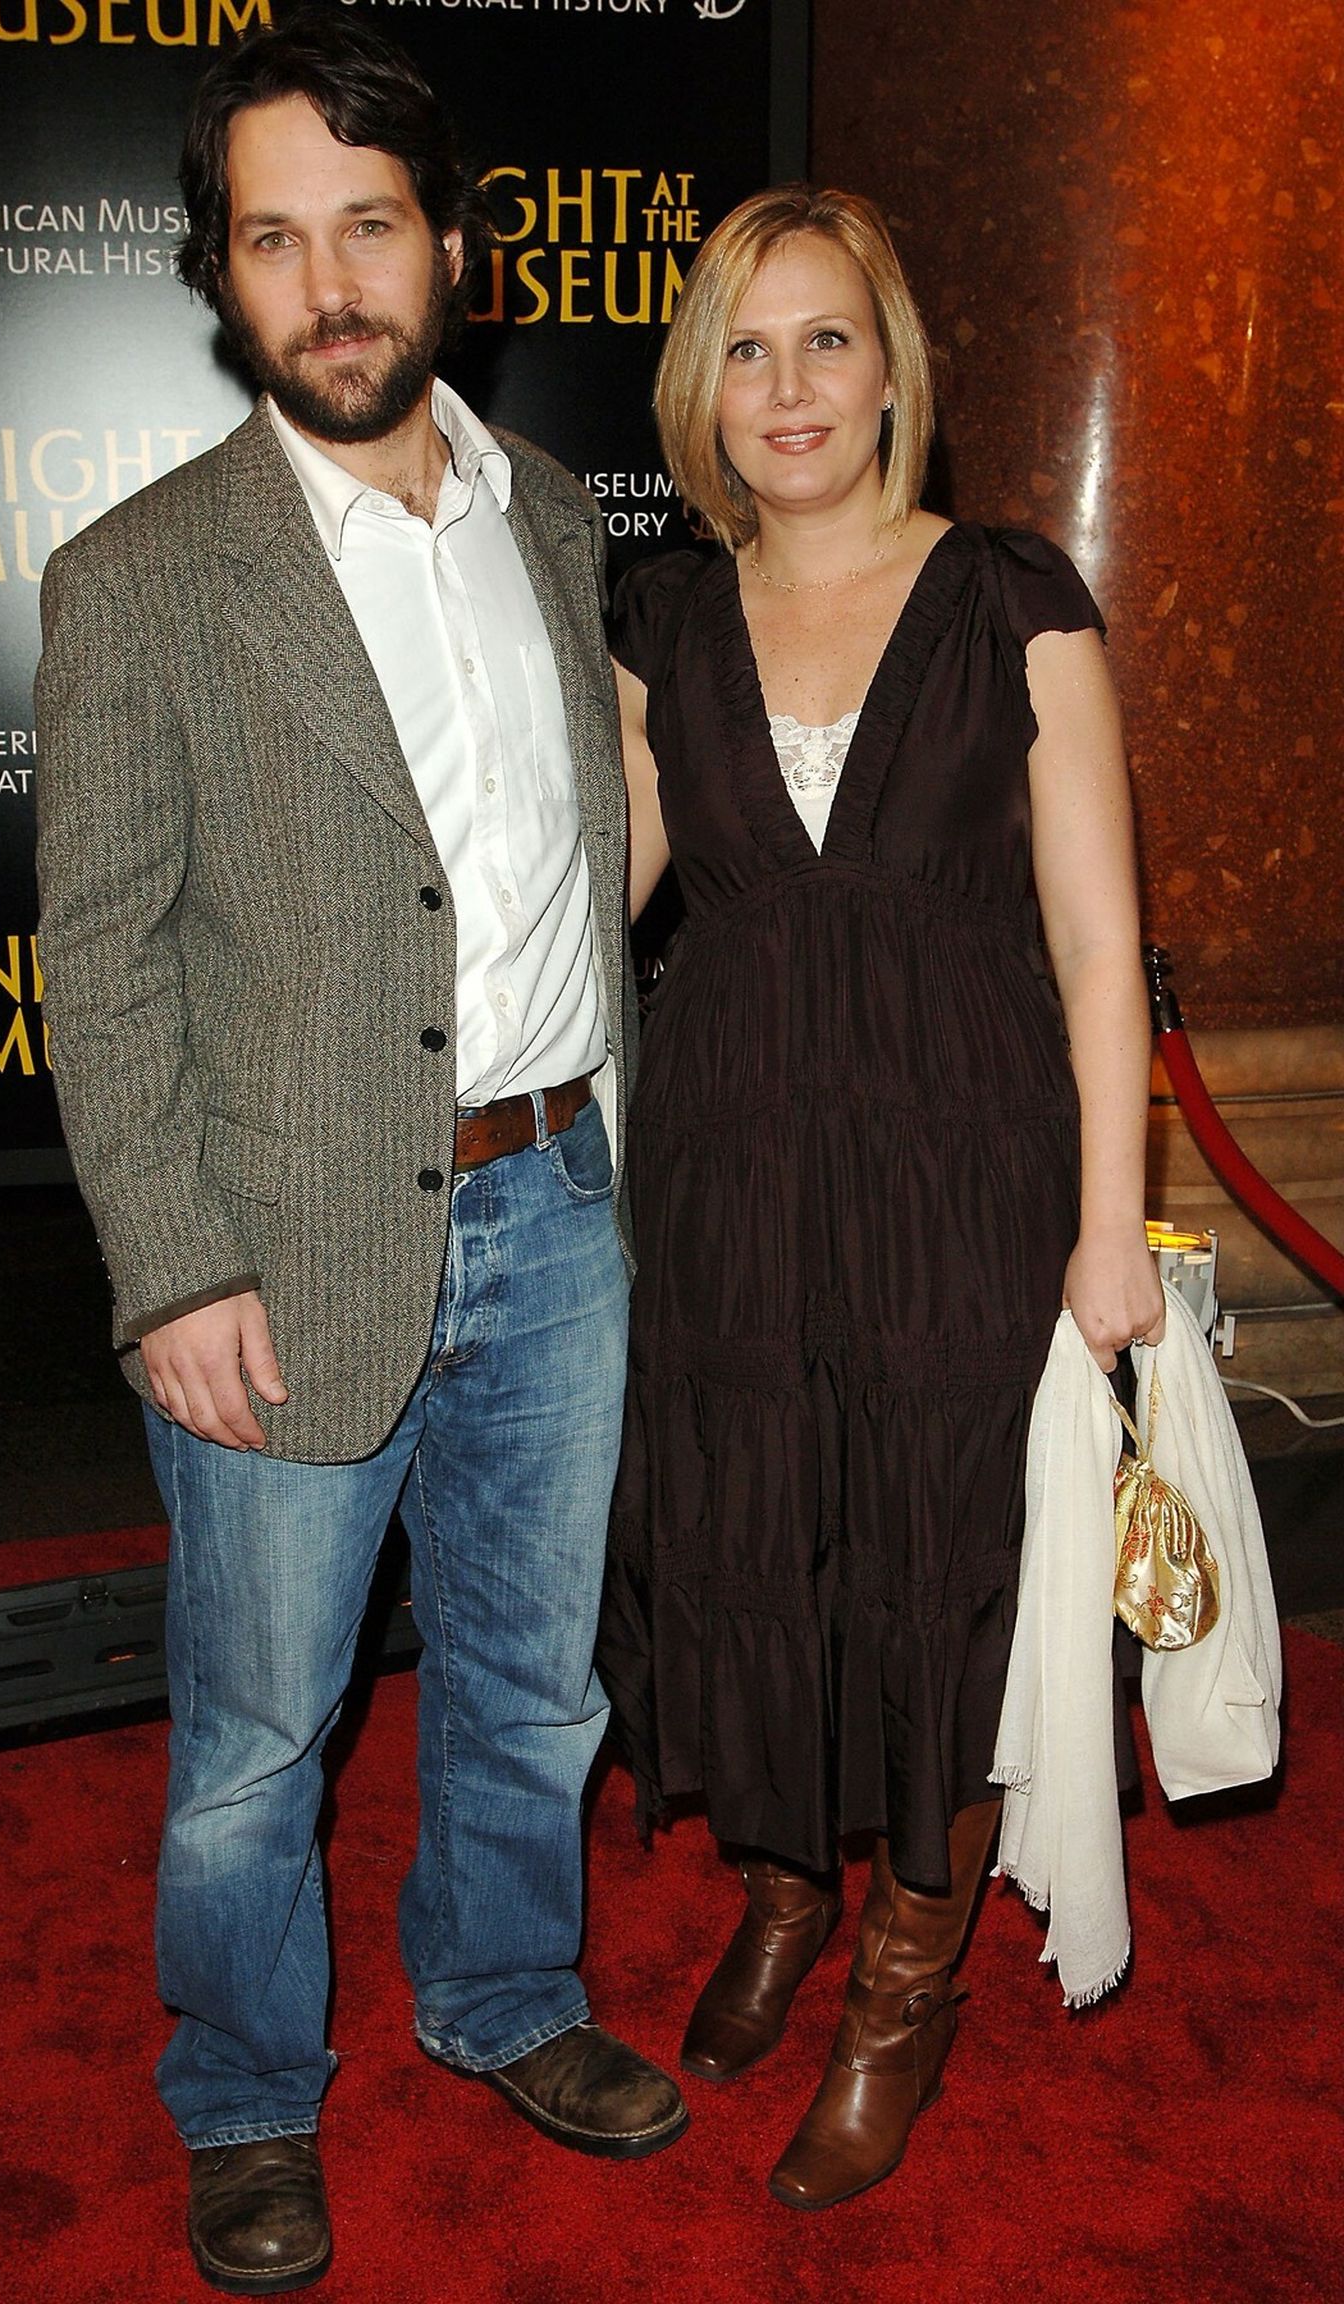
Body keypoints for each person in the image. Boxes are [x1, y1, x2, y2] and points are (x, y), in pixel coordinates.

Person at [34, 11, 686, 2294]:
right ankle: (240, 2091)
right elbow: (101, 962)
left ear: (452, 247)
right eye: (271, 238)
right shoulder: (137, 580)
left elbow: (574, 853)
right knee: (256, 1735)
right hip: (282, 1243)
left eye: (368, 227)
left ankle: (504, 1993)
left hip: (558, 1204)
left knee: (536, 1678)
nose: (327, 286)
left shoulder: (558, 522)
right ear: (221, 275)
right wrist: (170, 1267)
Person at [598, 185, 1166, 2211]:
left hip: (963, 1176)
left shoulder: (1016, 601)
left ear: (893, 368)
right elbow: (594, 906)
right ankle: (784, 1886)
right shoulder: (662, 622)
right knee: (751, 1533)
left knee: (943, 1562)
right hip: (733, 1174)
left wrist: (1110, 1226)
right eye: (746, 349)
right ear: (703, 389)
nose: (789, 387)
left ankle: (906, 1976)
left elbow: (1097, 944)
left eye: (826, 338)